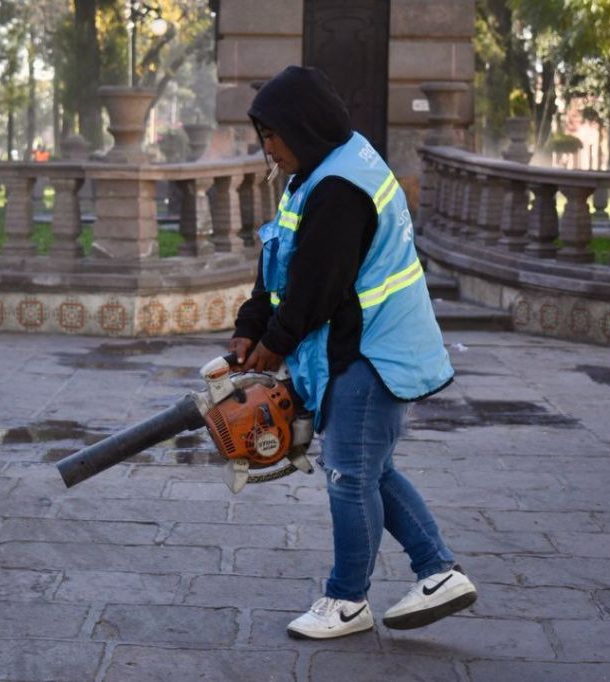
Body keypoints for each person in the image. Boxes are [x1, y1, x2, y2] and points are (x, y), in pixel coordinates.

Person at [228, 65, 477, 640]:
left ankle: (347, 600)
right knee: (369, 468)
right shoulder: (318, 171)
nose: (267, 147)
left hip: (374, 351)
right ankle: (438, 571)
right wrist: (250, 325)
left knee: (347, 475)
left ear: (301, 127)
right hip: (363, 348)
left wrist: (271, 348)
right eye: (261, 135)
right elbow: (281, 263)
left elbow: (316, 287)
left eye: (272, 135)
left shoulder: (340, 187)